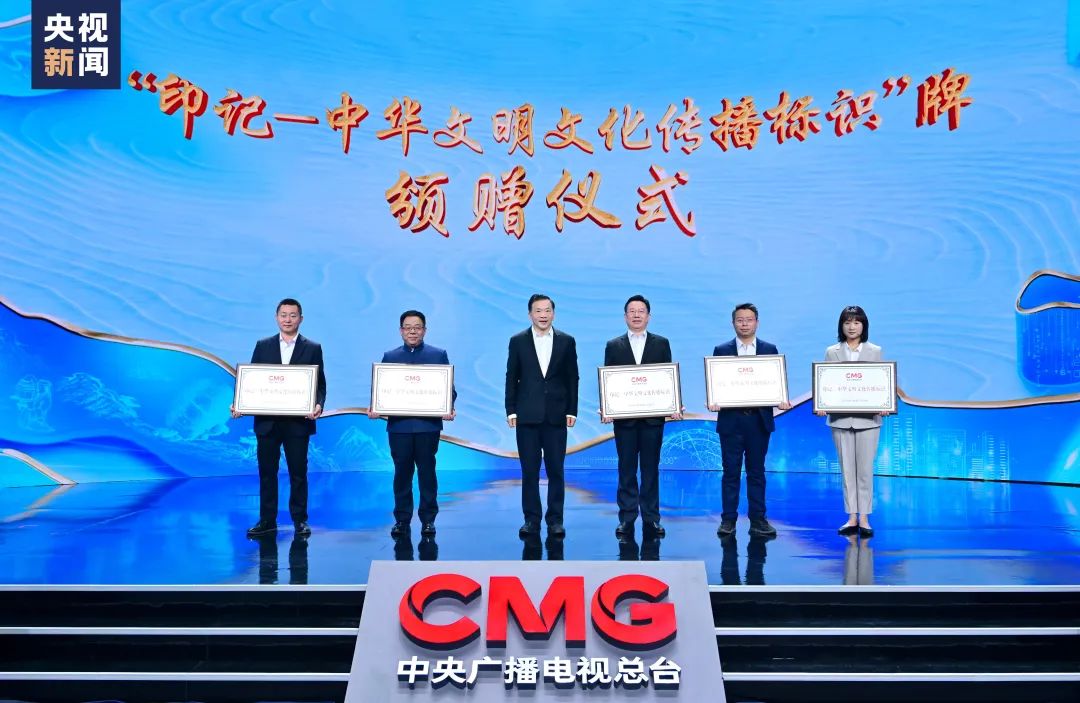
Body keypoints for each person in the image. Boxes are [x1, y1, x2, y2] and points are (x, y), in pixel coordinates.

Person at [235, 298, 326, 539]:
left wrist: (318, 404)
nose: (288, 319)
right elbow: (252, 381)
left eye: (293, 315)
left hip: (298, 423)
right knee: (267, 472)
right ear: (276, 317)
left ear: (301, 319)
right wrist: (240, 403)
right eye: (283, 315)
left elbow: (320, 385)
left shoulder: (313, 348)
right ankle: (267, 520)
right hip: (268, 423)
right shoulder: (263, 346)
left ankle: (300, 520)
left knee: (298, 473)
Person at [368, 310, 456, 539]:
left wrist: (448, 407)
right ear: (401, 331)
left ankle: (428, 520)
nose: (412, 331)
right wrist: (375, 407)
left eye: (417, 327)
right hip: (399, 428)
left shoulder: (438, 355)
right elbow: (381, 390)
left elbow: (449, 390)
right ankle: (402, 520)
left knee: (427, 474)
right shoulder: (390, 357)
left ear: (424, 330)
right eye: (408, 328)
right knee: (402, 474)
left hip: (428, 427)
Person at [602, 294, 681, 540]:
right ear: (625, 316)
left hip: (652, 420)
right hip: (624, 421)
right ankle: (626, 519)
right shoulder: (613, 345)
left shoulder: (661, 343)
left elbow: (666, 378)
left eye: (641, 311)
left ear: (648, 316)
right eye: (632, 311)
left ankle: (651, 518)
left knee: (650, 470)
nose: (636, 315)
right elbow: (609, 381)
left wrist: (673, 403)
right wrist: (607, 407)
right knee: (626, 469)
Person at [710, 302, 791, 538]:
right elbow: (717, 384)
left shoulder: (769, 350)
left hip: (758, 421)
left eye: (749, 319)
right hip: (731, 422)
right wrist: (715, 400)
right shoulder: (721, 351)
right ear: (733, 323)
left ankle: (758, 520)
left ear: (757, 322)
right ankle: (728, 520)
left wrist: (780, 399)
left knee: (756, 472)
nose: (744, 324)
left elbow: (774, 384)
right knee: (730, 473)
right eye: (740, 320)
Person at [505, 293, 579, 539]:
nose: (543, 315)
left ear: (553, 314)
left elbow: (572, 378)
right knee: (529, 471)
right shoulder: (518, 341)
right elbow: (511, 376)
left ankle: (555, 520)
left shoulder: (567, 341)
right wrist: (511, 409)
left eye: (547, 310)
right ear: (530, 314)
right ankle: (531, 520)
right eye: (538, 311)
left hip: (556, 416)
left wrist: (572, 410)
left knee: (556, 470)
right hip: (526, 416)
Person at [815, 305, 888, 537]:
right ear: (841, 326)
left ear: (864, 325)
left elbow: (880, 382)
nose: (852, 327)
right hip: (840, 419)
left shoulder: (875, 351)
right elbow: (826, 383)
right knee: (847, 471)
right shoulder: (832, 352)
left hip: (869, 420)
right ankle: (852, 516)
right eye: (847, 322)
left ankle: (864, 517)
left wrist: (884, 403)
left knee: (865, 470)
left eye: (857, 322)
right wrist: (822, 404)